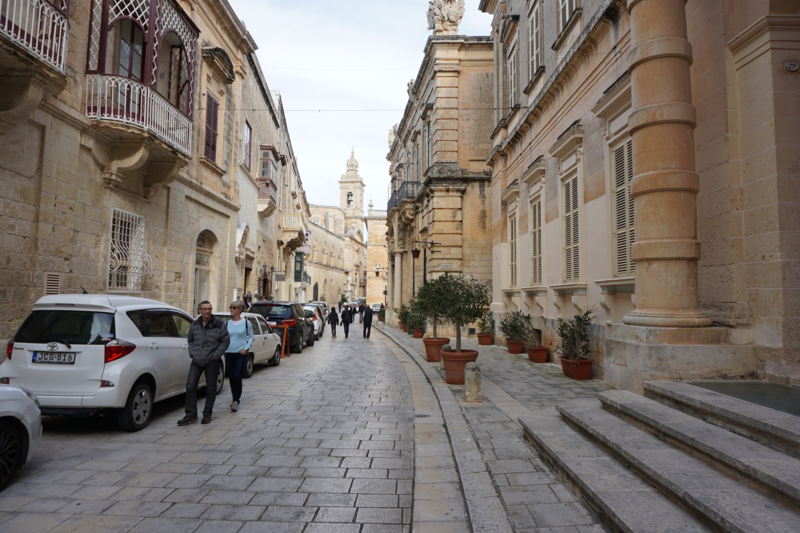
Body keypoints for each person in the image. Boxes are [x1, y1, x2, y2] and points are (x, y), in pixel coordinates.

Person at [178, 301, 229, 426]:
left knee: (211, 388)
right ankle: (191, 415)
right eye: (205, 309)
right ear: (199, 310)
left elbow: (225, 342)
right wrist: (192, 354)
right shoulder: (194, 324)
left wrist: (215, 356)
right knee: (190, 386)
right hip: (196, 360)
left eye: (209, 309)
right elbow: (190, 340)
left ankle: (207, 414)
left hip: (211, 360)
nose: (207, 311)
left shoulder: (219, 324)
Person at [224, 300, 253, 413]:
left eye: (234, 307)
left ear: (240, 310)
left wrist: (246, 348)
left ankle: (236, 400)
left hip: (240, 354)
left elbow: (251, 337)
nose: (231, 309)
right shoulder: (227, 323)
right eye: (231, 307)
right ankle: (234, 397)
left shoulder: (246, 323)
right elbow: (224, 338)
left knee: (237, 375)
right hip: (229, 353)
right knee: (231, 377)